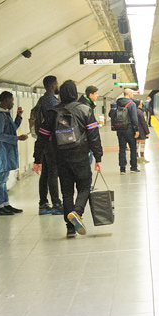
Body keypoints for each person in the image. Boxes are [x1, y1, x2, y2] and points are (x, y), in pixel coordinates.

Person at [33, 80, 102, 237]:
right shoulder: (85, 110)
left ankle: (70, 228)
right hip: (81, 156)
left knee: (67, 192)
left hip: (61, 157)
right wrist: (98, 157)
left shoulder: (53, 112)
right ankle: (77, 213)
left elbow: (41, 137)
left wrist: (37, 159)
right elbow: (94, 136)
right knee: (85, 187)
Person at [0, 91, 27, 215]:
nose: (13, 103)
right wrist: (17, 138)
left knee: (4, 177)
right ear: (5, 100)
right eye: (11, 100)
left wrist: (18, 117)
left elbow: (12, 128)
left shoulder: (5, 114)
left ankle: (5, 203)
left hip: (7, 151)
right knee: (1, 178)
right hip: (1, 151)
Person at [30, 76, 63, 215]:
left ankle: (43, 204)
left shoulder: (42, 100)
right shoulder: (52, 102)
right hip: (50, 143)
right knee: (53, 173)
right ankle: (56, 203)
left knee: (45, 174)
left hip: (43, 141)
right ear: (53, 84)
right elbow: (55, 124)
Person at [110, 88, 140, 173]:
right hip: (130, 130)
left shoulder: (117, 103)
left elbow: (110, 114)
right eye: (132, 94)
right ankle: (133, 167)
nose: (133, 95)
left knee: (122, 149)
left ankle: (122, 169)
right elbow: (134, 118)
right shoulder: (132, 104)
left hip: (119, 129)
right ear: (129, 94)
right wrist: (136, 129)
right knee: (133, 148)